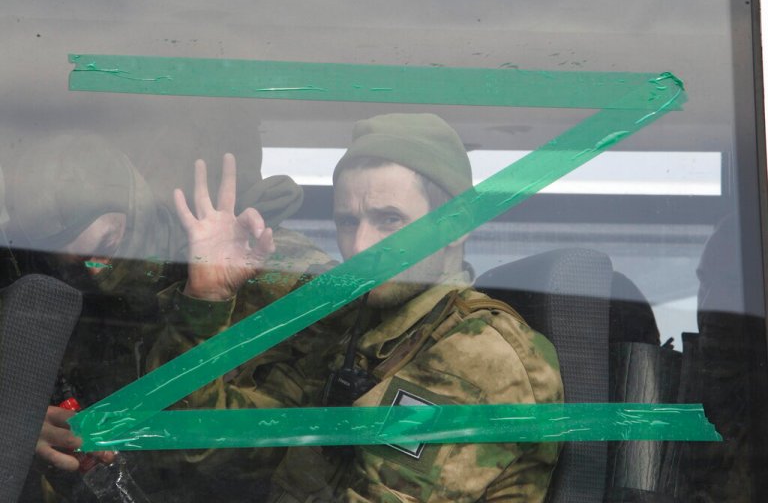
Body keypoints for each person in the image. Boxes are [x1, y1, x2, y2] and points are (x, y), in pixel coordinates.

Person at [156, 113, 564, 502]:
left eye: (389, 220)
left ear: (455, 224)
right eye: (348, 222)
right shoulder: (355, 328)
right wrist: (206, 298)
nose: (361, 246)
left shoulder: (476, 355)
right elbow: (215, 445)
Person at [1, 133, 328, 501]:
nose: (94, 272)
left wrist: (205, 303)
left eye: (106, 245)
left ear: (135, 205)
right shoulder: (48, 295)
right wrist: (18, 426)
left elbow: (252, 452)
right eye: (74, 261)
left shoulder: (287, 280)